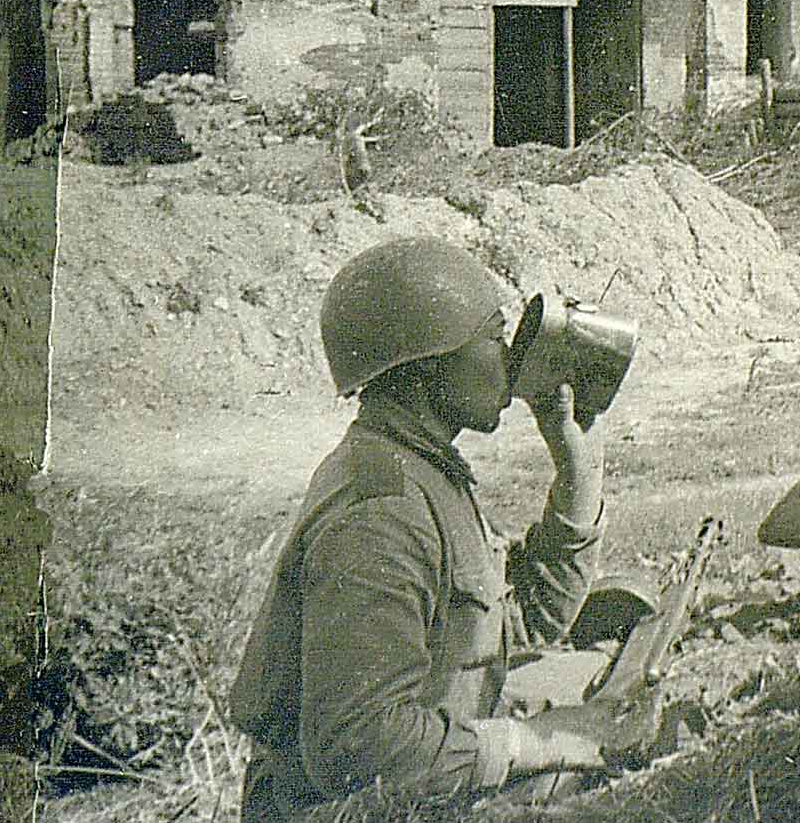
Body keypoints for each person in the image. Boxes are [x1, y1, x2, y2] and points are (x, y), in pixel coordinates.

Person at [229, 237, 651, 821]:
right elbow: (358, 745)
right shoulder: (380, 514)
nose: (509, 359)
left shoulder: (423, 470)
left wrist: (577, 469)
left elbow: (517, 625)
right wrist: (535, 741)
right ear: (428, 366)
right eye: (493, 336)